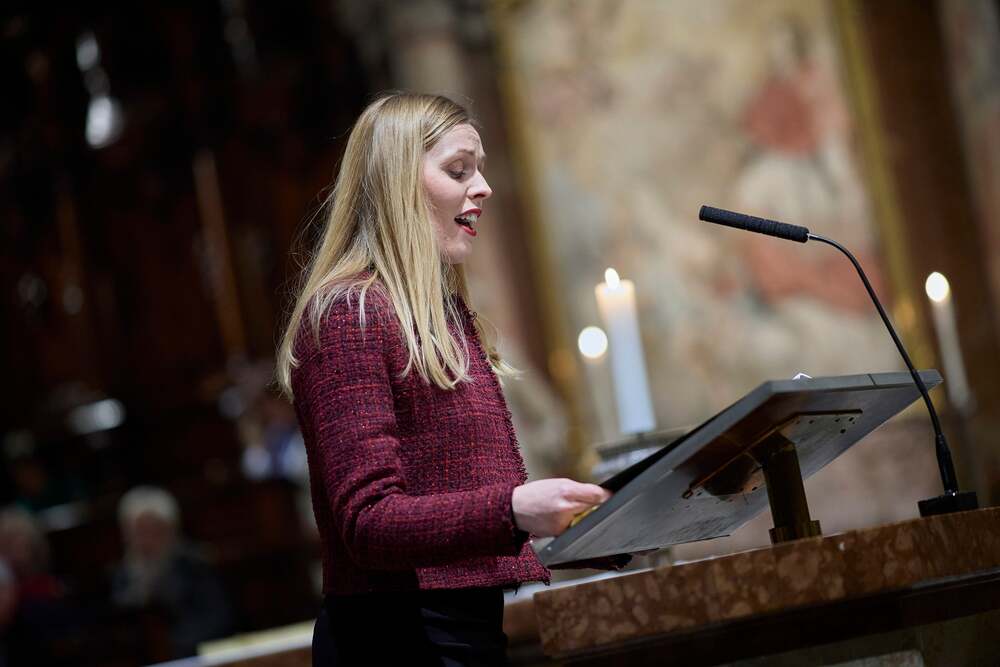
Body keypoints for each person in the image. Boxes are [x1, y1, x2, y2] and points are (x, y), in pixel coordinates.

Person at [276, 92, 613, 666]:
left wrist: (579, 526)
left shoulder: (439, 316)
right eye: (459, 170)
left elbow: (458, 501)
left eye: (478, 169)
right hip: (393, 641)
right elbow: (368, 521)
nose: (483, 188)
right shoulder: (350, 314)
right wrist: (513, 510)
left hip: (459, 632)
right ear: (397, 184)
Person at [111, 486, 234, 658]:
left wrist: (172, 646)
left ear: (171, 529)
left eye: (154, 530)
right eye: (139, 531)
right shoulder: (123, 575)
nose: (146, 540)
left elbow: (217, 620)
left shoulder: (195, 565)